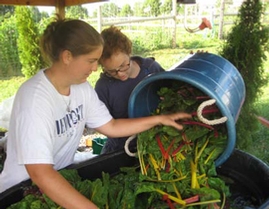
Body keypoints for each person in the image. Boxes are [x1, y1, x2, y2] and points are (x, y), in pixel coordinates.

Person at [0, 15, 190, 209]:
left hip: (61, 181)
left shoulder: (81, 89)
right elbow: (40, 173)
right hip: (21, 194)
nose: (94, 68)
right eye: (91, 61)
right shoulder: (34, 98)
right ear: (67, 57)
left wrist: (159, 119)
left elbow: (111, 126)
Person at [95, 25, 165, 154]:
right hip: (120, 148)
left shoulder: (151, 69)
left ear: (129, 52)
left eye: (123, 66)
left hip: (157, 143)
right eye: (111, 71)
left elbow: (173, 91)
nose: (120, 74)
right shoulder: (103, 87)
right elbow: (104, 125)